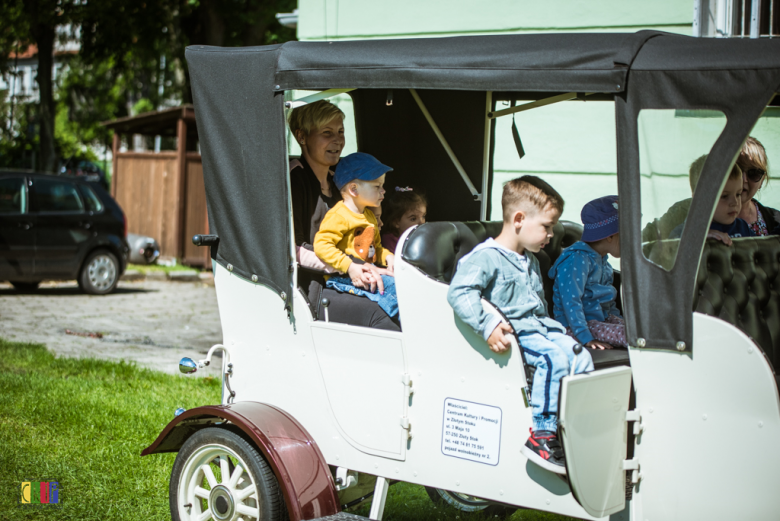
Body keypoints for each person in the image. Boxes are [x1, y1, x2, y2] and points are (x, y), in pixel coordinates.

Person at [446, 176, 593, 475]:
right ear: (519, 219)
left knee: (581, 356)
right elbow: (459, 292)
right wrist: (487, 325)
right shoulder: (486, 258)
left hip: (540, 329)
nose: (551, 234)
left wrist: (556, 329)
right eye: (547, 226)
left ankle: (572, 429)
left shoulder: (531, 260)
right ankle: (542, 434)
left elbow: (538, 304)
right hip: (518, 334)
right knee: (553, 360)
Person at [314, 152, 399, 328]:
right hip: (343, 277)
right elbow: (322, 245)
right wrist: (350, 266)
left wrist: (389, 257)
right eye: (377, 186)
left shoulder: (368, 216)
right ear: (354, 190)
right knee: (394, 290)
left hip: (369, 270)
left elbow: (376, 249)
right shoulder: (338, 215)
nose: (383, 191)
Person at [549, 196, 626, 350]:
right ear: (610, 235)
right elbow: (570, 303)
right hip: (577, 325)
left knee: (642, 330)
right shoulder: (577, 260)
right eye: (625, 235)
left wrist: (620, 320)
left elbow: (608, 303)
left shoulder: (603, 262)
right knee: (630, 336)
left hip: (600, 319)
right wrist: (585, 338)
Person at [669, 160, 754, 243]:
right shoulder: (688, 230)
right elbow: (670, 248)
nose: (735, 202)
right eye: (724, 196)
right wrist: (697, 237)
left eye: (738, 194)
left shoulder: (743, 227)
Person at [737, 136, 780, 236]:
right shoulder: (700, 217)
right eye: (736, 170)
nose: (744, 179)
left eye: (754, 173)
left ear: (762, 180)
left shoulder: (776, 220)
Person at [380, 186, 427, 254]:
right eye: (413, 219)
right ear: (396, 222)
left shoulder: (423, 237)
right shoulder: (390, 240)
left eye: (423, 217)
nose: (421, 223)